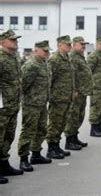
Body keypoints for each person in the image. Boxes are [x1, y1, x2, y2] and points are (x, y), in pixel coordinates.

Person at [17, 40, 53, 172]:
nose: (47, 53)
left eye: (48, 51)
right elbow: (23, 85)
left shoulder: (44, 64)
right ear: (36, 50)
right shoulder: (31, 65)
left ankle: (36, 154)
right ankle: (23, 158)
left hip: (42, 103)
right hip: (31, 104)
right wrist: (27, 100)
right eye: (45, 51)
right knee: (28, 131)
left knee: (42, 129)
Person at [0, 30, 24, 183]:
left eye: (16, 39)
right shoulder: (1, 59)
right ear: (2, 42)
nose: (15, 42)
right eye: (12, 40)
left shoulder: (14, 58)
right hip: (2, 107)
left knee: (8, 136)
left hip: (13, 105)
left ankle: (4, 164)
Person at [46, 35, 74, 159]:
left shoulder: (67, 58)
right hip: (57, 98)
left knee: (62, 123)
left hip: (66, 97)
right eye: (68, 44)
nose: (70, 46)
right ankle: (51, 148)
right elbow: (49, 79)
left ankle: (57, 146)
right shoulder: (54, 59)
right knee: (54, 124)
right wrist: (51, 96)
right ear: (60, 45)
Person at [64, 36, 92, 149]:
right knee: (73, 117)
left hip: (82, 92)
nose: (84, 46)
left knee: (79, 116)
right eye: (81, 44)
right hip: (77, 93)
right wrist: (74, 90)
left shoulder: (80, 56)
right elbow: (72, 76)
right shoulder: (73, 57)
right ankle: (69, 140)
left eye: (84, 44)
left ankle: (75, 138)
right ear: (74, 45)